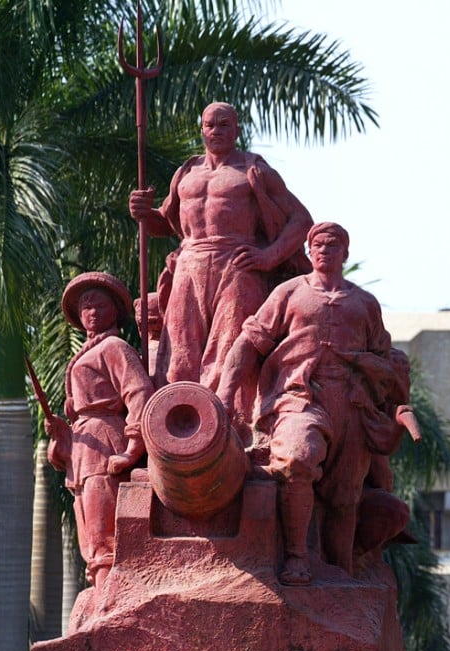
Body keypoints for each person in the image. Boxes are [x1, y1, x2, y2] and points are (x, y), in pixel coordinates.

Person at [217, 222, 403, 586]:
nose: (324, 250)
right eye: (317, 244)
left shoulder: (364, 303)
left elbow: (386, 358)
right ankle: (297, 558)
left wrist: (377, 376)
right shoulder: (290, 293)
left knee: (346, 494)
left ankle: (341, 573)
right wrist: (225, 393)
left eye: (333, 244)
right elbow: (249, 342)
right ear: (308, 251)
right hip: (298, 396)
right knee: (298, 458)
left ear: (345, 253)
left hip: (352, 403)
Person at [128, 102, 313, 413]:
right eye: (211, 125)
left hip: (238, 264)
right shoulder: (186, 172)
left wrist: (269, 256)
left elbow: (301, 220)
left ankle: (231, 427)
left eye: (224, 124)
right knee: (179, 353)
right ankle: (178, 422)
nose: (217, 131)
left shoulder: (254, 170)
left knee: (230, 350)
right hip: (190, 263)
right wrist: (143, 214)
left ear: (236, 130)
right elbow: (164, 224)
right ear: (202, 130)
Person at [45, 272, 155, 589]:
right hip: (83, 447)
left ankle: (110, 597)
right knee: (89, 529)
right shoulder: (86, 352)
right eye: (85, 308)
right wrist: (60, 433)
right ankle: (99, 592)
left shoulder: (114, 347)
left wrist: (133, 447)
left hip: (107, 439)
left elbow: (138, 393)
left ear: (115, 311)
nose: (91, 313)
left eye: (99, 306)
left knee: (103, 528)